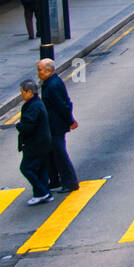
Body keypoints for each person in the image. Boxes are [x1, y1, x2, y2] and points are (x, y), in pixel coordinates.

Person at [37, 59, 80, 193]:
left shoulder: (52, 85)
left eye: (40, 70)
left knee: (60, 154)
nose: (38, 73)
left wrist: (70, 121)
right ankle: (55, 179)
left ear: (49, 71)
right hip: (51, 125)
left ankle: (70, 182)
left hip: (56, 126)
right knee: (51, 153)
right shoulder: (50, 82)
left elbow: (63, 105)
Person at [16, 79, 53, 205]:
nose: (21, 95)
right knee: (41, 169)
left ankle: (42, 192)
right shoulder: (37, 103)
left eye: (22, 92)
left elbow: (28, 126)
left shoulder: (33, 106)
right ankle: (44, 193)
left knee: (26, 168)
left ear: (30, 92)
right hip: (43, 142)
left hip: (35, 144)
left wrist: (18, 125)